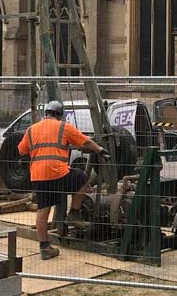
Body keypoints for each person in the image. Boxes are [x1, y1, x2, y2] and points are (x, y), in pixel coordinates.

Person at [18, 101, 110, 260]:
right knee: (82, 179)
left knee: (43, 211)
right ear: (60, 115)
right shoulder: (63, 127)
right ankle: (74, 213)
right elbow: (85, 141)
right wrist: (99, 149)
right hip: (58, 173)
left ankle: (44, 247)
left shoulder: (31, 130)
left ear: (46, 113)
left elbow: (21, 150)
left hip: (38, 176)